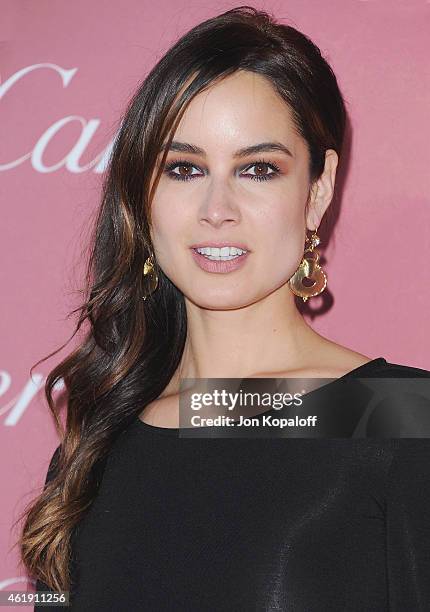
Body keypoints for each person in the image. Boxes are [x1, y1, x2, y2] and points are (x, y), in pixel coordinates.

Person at [15, 6, 429, 610]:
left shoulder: (403, 418)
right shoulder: (91, 453)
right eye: (183, 169)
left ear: (317, 191)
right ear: (142, 196)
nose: (218, 208)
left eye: (258, 169)